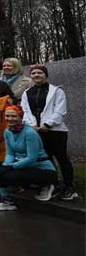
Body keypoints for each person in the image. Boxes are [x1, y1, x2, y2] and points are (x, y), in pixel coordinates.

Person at [21, 65, 76, 200]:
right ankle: (52, 184)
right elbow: (25, 111)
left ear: (46, 75)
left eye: (40, 73)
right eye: (33, 73)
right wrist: (32, 125)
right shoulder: (26, 93)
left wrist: (47, 124)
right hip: (36, 130)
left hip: (55, 130)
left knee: (62, 158)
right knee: (46, 159)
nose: (36, 75)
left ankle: (69, 186)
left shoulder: (57, 91)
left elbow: (60, 111)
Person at [0, 106, 58, 211]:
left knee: (6, 176)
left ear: (21, 117)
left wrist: (10, 167)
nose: (10, 119)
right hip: (23, 166)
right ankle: (7, 201)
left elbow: (32, 158)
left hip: (42, 168)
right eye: (7, 116)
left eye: (13, 116)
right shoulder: (7, 132)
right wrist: (6, 166)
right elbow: (10, 154)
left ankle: (46, 184)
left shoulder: (30, 133)